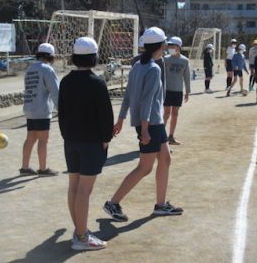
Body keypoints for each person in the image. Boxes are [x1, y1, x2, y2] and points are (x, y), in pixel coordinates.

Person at [104, 27, 183, 222]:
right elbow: (146, 101)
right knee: (144, 168)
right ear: (162, 46)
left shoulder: (138, 66)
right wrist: (145, 129)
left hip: (151, 123)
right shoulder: (154, 68)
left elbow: (128, 96)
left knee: (165, 159)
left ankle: (161, 204)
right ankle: (113, 202)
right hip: (150, 124)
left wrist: (121, 120)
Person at [58, 37, 113, 251]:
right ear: (94, 57)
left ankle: (79, 230)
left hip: (70, 141)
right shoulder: (97, 82)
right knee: (84, 190)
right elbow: (105, 115)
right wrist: (106, 139)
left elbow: (61, 112)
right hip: (91, 143)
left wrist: (67, 136)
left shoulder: (65, 81)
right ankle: (81, 236)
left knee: (74, 187)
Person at [20, 43, 59, 176]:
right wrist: (62, 109)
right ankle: (43, 169)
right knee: (43, 139)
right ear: (51, 56)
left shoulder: (30, 68)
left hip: (29, 108)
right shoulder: (47, 69)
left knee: (30, 138)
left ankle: (24, 167)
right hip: (41, 110)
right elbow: (55, 91)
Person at [163, 36, 191, 145]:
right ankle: (160, 137)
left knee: (175, 114)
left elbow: (187, 76)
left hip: (178, 91)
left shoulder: (185, 60)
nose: (170, 47)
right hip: (167, 91)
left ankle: (171, 136)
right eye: (169, 45)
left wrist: (187, 91)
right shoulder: (165, 59)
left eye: (172, 45)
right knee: (166, 113)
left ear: (178, 47)